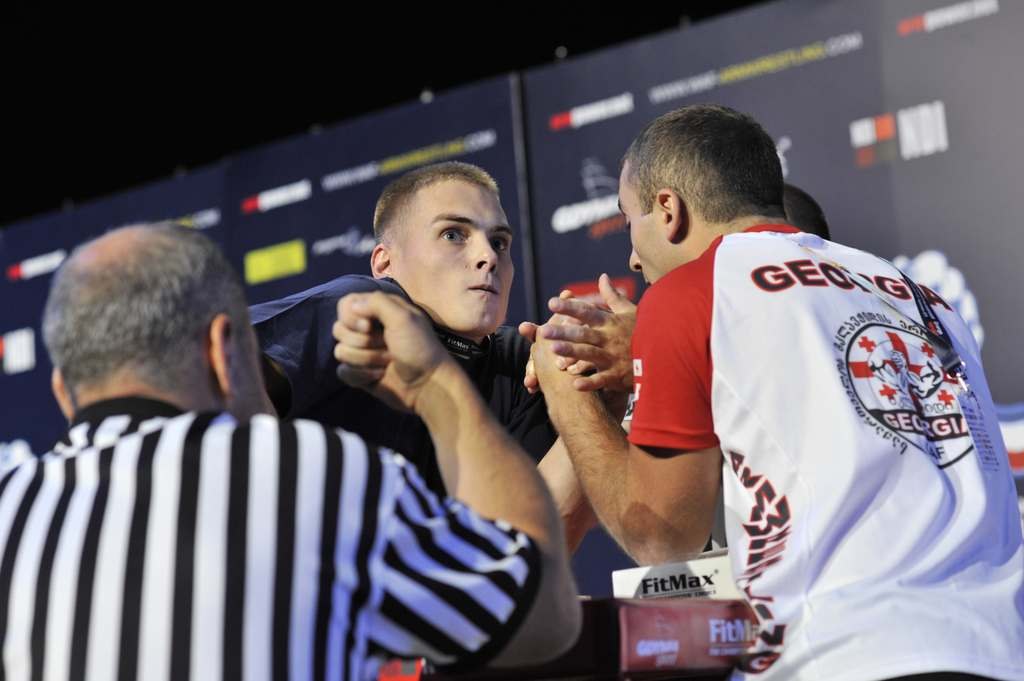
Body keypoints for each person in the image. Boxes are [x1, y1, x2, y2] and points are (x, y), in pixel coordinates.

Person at [529, 104, 1024, 680]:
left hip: (846, 656)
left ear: (668, 210)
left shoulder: (693, 291)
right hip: (1000, 652)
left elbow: (660, 534)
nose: (633, 257)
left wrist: (570, 399)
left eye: (628, 220)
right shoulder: (921, 297)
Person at [0, 222, 579, 681]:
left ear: (61, 391)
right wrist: (437, 386)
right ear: (225, 348)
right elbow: (540, 618)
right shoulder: (319, 473)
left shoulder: (11, 506)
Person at [252, 161, 556, 496]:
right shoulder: (359, 307)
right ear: (384, 262)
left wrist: (580, 393)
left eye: (499, 242)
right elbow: (210, 392)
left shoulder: (522, 365)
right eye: (453, 234)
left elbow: (531, 539)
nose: (488, 256)